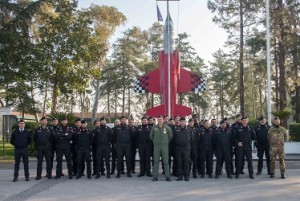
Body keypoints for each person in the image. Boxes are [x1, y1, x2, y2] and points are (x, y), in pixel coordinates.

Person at [150, 115, 173, 182]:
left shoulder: (167, 128)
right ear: (157, 120)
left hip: (164, 146)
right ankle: (155, 176)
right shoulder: (154, 128)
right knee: (156, 161)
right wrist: (155, 141)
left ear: (163, 120)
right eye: (159, 119)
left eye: (161, 119)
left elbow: (170, 136)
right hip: (156, 146)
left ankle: (167, 176)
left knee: (166, 161)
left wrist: (165, 141)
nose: (160, 120)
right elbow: (151, 136)